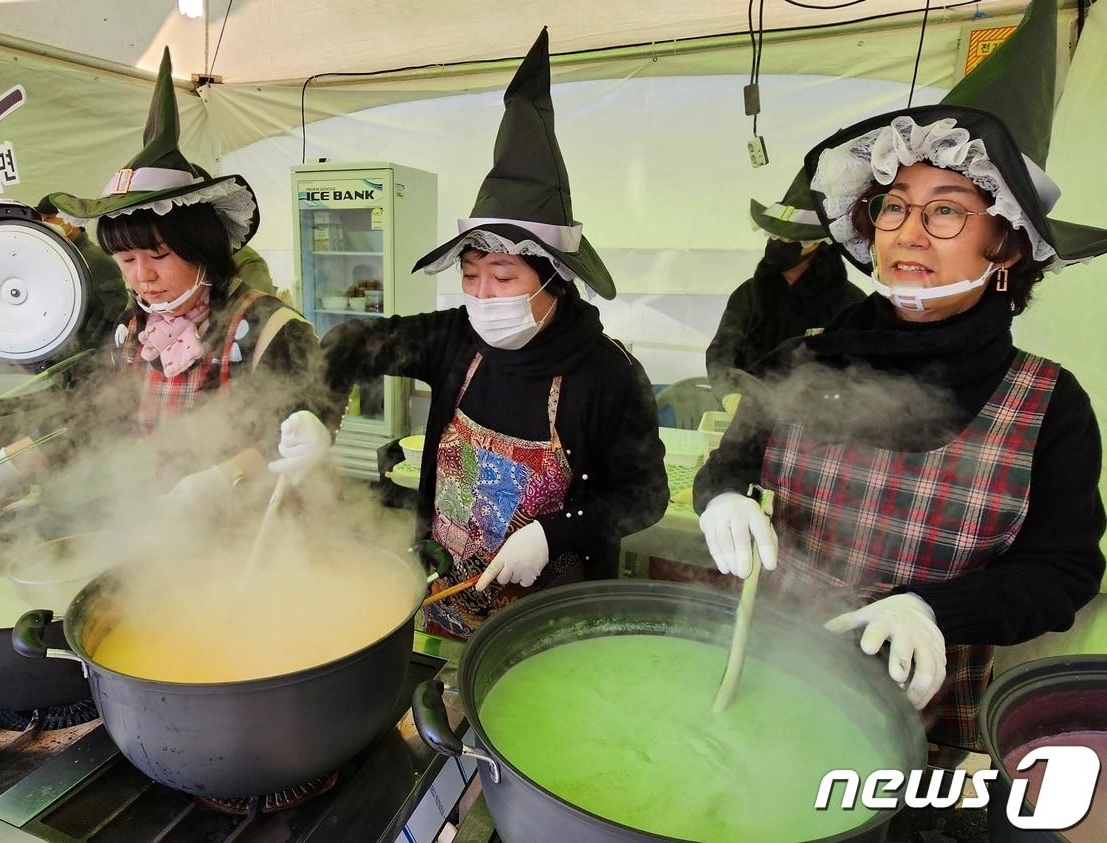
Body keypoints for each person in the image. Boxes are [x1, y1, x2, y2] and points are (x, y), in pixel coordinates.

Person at [692, 0, 1107, 755]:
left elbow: (1065, 569)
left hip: (916, 728)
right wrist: (719, 494)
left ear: (1007, 245)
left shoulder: (1050, 405)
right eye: (893, 207)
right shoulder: (804, 359)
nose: (909, 233)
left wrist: (934, 607)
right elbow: (728, 462)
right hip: (760, 685)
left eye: (946, 211)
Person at [314, 30, 668, 640]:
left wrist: (555, 532)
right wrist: (312, 418)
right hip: (443, 596)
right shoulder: (456, 340)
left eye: (502, 276)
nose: (481, 297)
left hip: (550, 618)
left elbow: (645, 495)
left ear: (553, 279)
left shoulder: (606, 374)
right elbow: (346, 340)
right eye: (471, 276)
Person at [0, 48, 324, 508]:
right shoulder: (133, 329)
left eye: (158, 254)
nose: (143, 276)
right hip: (155, 528)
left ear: (202, 249)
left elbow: (306, 418)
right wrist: (3, 465)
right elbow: (97, 417)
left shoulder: (269, 326)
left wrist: (220, 480)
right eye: (126, 259)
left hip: (251, 536)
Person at [706, 171, 866, 400]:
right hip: (750, 411)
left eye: (792, 239)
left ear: (819, 247)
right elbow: (722, 352)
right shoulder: (748, 294)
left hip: (818, 420)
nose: (781, 244)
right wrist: (729, 394)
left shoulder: (851, 302)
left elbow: (859, 370)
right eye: (776, 236)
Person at [33, 194, 132, 350]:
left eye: (49, 219)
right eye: (42, 220)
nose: (45, 225)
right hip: (63, 352)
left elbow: (112, 313)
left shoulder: (97, 260)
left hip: (89, 359)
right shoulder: (57, 259)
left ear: (71, 219)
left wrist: (89, 353)